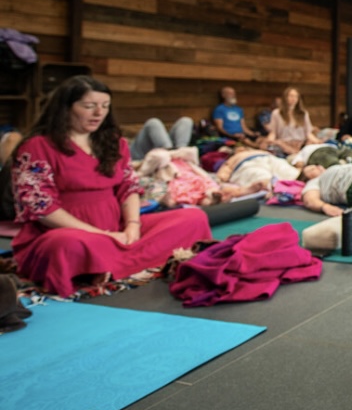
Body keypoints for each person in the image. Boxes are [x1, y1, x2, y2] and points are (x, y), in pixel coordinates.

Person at [9, 76, 212, 296]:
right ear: (65, 108)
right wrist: (101, 235)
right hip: (68, 232)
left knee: (193, 218)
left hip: (118, 229)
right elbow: (42, 207)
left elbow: (129, 187)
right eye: (89, 106)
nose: (99, 113)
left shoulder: (113, 141)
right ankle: (120, 261)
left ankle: (107, 264)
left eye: (105, 106)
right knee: (66, 245)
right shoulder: (37, 145)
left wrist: (132, 226)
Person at [267, 86, 321, 155]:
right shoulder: (276, 113)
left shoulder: (303, 113)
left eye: (296, 96)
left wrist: (317, 141)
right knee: (273, 147)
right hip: (284, 144)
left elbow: (308, 133)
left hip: (300, 143)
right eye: (291, 96)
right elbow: (273, 133)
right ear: (285, 98)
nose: (293, 99)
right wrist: (270, 141)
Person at [128, 115, 194, 161]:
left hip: (168, 154)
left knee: (186, 121)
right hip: (141, 157)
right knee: (153, 123)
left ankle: (180, 154)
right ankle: (173, 155)